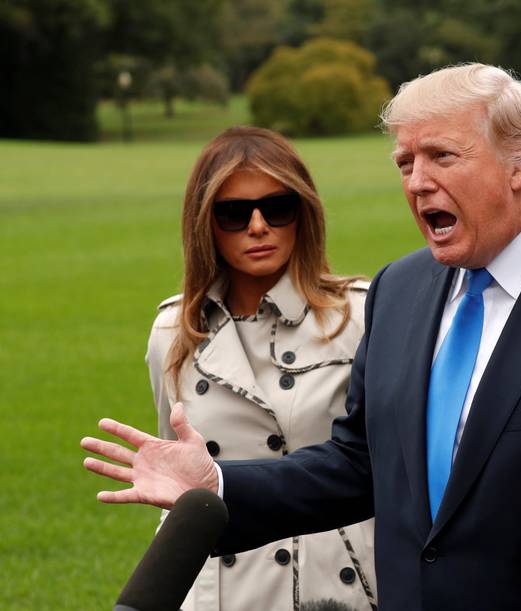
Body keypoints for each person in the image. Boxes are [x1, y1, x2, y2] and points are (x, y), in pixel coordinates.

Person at [83, 64, 521, 610]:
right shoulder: (401, 289)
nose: (416, 182)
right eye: (405, 162)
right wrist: (220, 484)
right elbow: (358, 463)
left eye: (442, 156)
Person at [142, 126, 376, 611]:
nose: (257, 226)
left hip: (335, 582)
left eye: (277, 208)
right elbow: (178, 478)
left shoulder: (359, 315)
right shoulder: (173, 331)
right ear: (204, 223)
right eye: (233, 213)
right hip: (222, 587)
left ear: (303, 214)